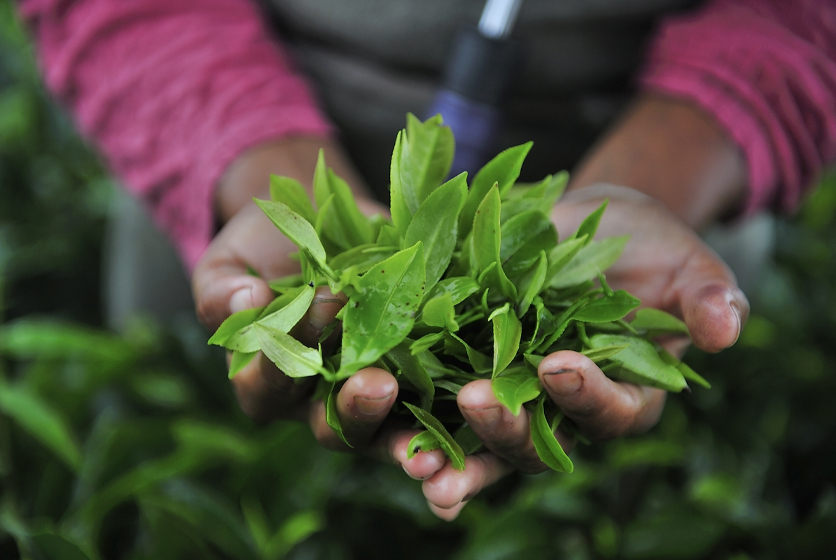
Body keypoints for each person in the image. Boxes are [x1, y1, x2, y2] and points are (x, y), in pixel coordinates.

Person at [19, 0, 836, 520]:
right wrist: (251, 158)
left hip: (662, 216)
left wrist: (648, 187)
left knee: (634, 499)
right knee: (198, 476)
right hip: (228, 184)